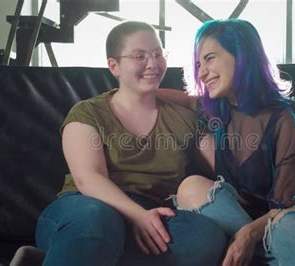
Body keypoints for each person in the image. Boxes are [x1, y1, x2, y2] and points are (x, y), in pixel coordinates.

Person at [160, 19, 295, 265]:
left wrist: (248, 234)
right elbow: (162, 97)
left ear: (241, 56)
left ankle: (255, 248)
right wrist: (118, 92)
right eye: (198, 64)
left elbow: (287, 207)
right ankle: (264, 256)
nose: (201, 72)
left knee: (286, 225)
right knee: (191, 187)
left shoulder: (286, 116)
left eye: (209, 58)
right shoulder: (216, 111)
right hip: (249, 225)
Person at [34, 21, 229, 266]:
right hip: (85, 206)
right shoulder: (88, 112)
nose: (153, 63)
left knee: (204, 237)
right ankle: (82, 248)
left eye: (158, 54)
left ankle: (76, 254)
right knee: (96, 221)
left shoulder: (184, 118)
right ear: (114, 66)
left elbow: (225, 168)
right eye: (139, 56)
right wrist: (137, 216)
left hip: (154, 213)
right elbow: (88, 178)